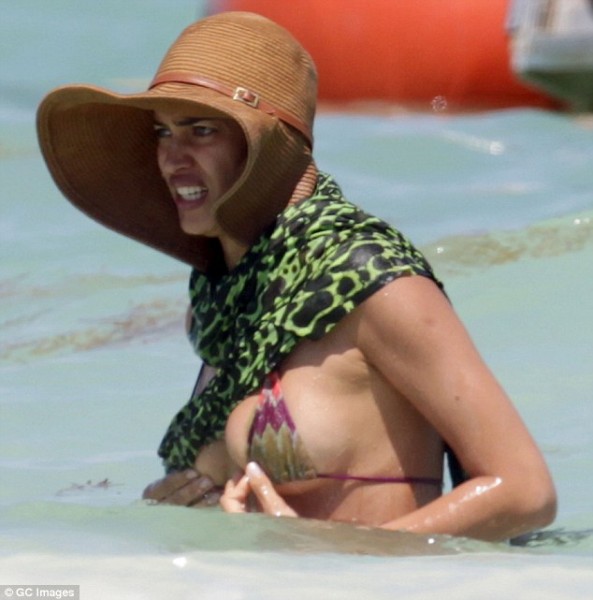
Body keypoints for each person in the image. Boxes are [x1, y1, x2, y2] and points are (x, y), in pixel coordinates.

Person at [37, 11, 556, 541]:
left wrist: (337, 553)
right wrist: (178, 504)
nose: (172, 158)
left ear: (269, 146)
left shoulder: (369, 278)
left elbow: (524, 492)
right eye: (162, 132)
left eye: (202, 130)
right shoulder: (224, 301)